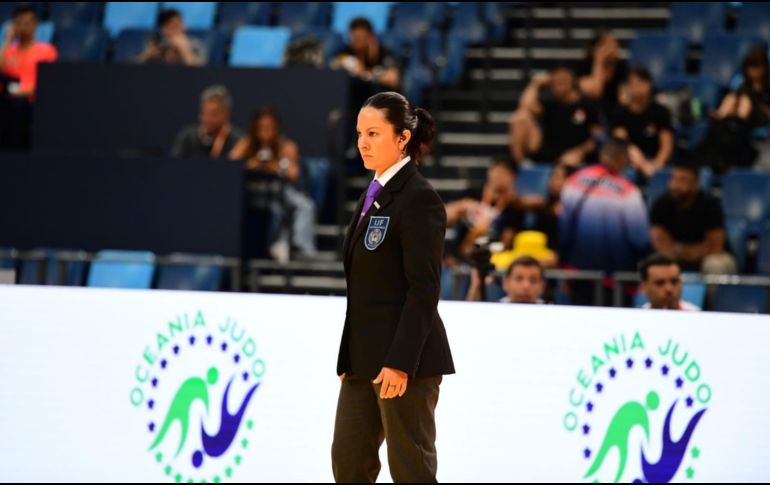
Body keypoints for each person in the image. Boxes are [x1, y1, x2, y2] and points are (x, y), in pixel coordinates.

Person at [333, 91, 454, 483]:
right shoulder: (374, 194)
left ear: (402, 138)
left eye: (373, 133)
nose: (362, 143)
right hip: (362, 360)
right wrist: (347, 356)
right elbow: (363, 288)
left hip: (405, 361)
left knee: (411, 471)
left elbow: (423, 289)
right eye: (359, 134)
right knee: (349, 465)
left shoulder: (420, 199)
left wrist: (401, 362)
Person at [559, 137, 650, 305]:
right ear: (623, 159)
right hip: (618, 279)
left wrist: (565, 265)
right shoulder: (628, 191)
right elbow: (639, 239)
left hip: (579, 274)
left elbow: (564, 231)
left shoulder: (573, 181)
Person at [230, 108, 317, 260]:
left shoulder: (286, 146)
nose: (265, 132)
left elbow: (293, 174)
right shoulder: (247, 144)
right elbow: (230, 166)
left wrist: (273, 166)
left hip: (280, 191)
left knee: (304, 205)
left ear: (276, 128)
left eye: (269, 128)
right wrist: (252, 164)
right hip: (252, 192)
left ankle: (300, 248)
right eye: (261, 128)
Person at [649, 159, 735, 274]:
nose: (675, 185)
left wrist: (679, 250)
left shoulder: (710, 205)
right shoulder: (661, 204)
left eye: (683, 180)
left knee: (714, 264)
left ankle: (712, 293)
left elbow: (714, 247)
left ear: (696, 184)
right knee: (655, 262)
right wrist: (694, 250)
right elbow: (661, 246)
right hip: (677, 258)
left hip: (714, 257)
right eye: (673, 178)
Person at [509, 66, 601, 166]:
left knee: (571, 161)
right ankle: (524, 167)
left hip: (575, 153)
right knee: (519, 118)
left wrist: (580, 152)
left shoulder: (587, 105)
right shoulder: (550, 103)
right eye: (556, 81)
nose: (559, 84)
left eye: (563, 80)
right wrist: (535, 84)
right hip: (549, 150)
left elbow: (597, 137)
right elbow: (525, 106)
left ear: (572, 81)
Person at [610, 67, 674, 180]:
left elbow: (666, 144)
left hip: (653, 159)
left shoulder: (661, 112)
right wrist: (642, 163)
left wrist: (657, 164)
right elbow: (621, 140)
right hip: (629, 160)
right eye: (631, 84)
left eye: (639, 84)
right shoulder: (620, 112)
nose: (635, 88)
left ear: (648, 85)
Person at [0, 4, 58, 98]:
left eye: (27, 23)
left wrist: (22, 93)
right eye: (19, 23)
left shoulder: (47, 50)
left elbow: (48, 82)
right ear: (13, 25)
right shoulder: (8, 50)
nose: (23, 27)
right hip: (7, 100)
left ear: (35, 24)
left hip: (32, 102)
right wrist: (7, 40)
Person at [171, 85, 242, 159]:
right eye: (204, 113)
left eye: (214, 114)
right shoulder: (187, 138)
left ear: (226, 114)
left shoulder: (238, 142)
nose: (208, 119)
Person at [331, 17, 400, 89]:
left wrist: (365, 74)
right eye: (353, 38)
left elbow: (393, 79)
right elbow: (333, 66)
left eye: (360, 38)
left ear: (370, 37)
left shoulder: (383, 53)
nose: (355, 42)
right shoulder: (345, 51)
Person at [578, 31, 629, 120]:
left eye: (615, 44)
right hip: (589, 113)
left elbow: (624, 100)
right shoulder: (583, 67)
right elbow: (596, 91)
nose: (613, 49)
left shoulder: (622, 68)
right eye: (608, 45)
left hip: (614, 114)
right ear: (595, 48)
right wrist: (599, 61)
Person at [467, 255, 547, 303]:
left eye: (533, 280)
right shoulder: (493, 311)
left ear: (542, 286)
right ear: (506, 282)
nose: (526, 286)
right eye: (519, 279)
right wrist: (475, 286)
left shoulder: (552, 314)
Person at [139, 9, 206, 66]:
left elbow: (201, 73)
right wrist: (147, 56)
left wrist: (185, 50)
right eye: (174, 26)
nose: (182, 28)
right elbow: (133, 71)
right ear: (164, 30)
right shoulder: (158, 44)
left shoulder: (196, 45)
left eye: (181, 24)